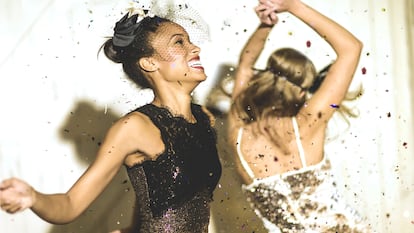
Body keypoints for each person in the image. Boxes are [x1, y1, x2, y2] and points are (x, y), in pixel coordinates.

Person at [0, 10, 222, 233]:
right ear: (149, 63)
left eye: (190, 41)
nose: (195, 48)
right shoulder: (134, 127)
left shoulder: (204, 118)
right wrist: (33, 197)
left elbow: (161, 197)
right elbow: (69, 205)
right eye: (179, 42)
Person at [227, 0, 370, 232]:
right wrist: (293, 6)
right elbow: (351, 48)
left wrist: (265, 25)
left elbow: (244, 65)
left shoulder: (238, 132)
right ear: (302, 92)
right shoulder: (307, 125)